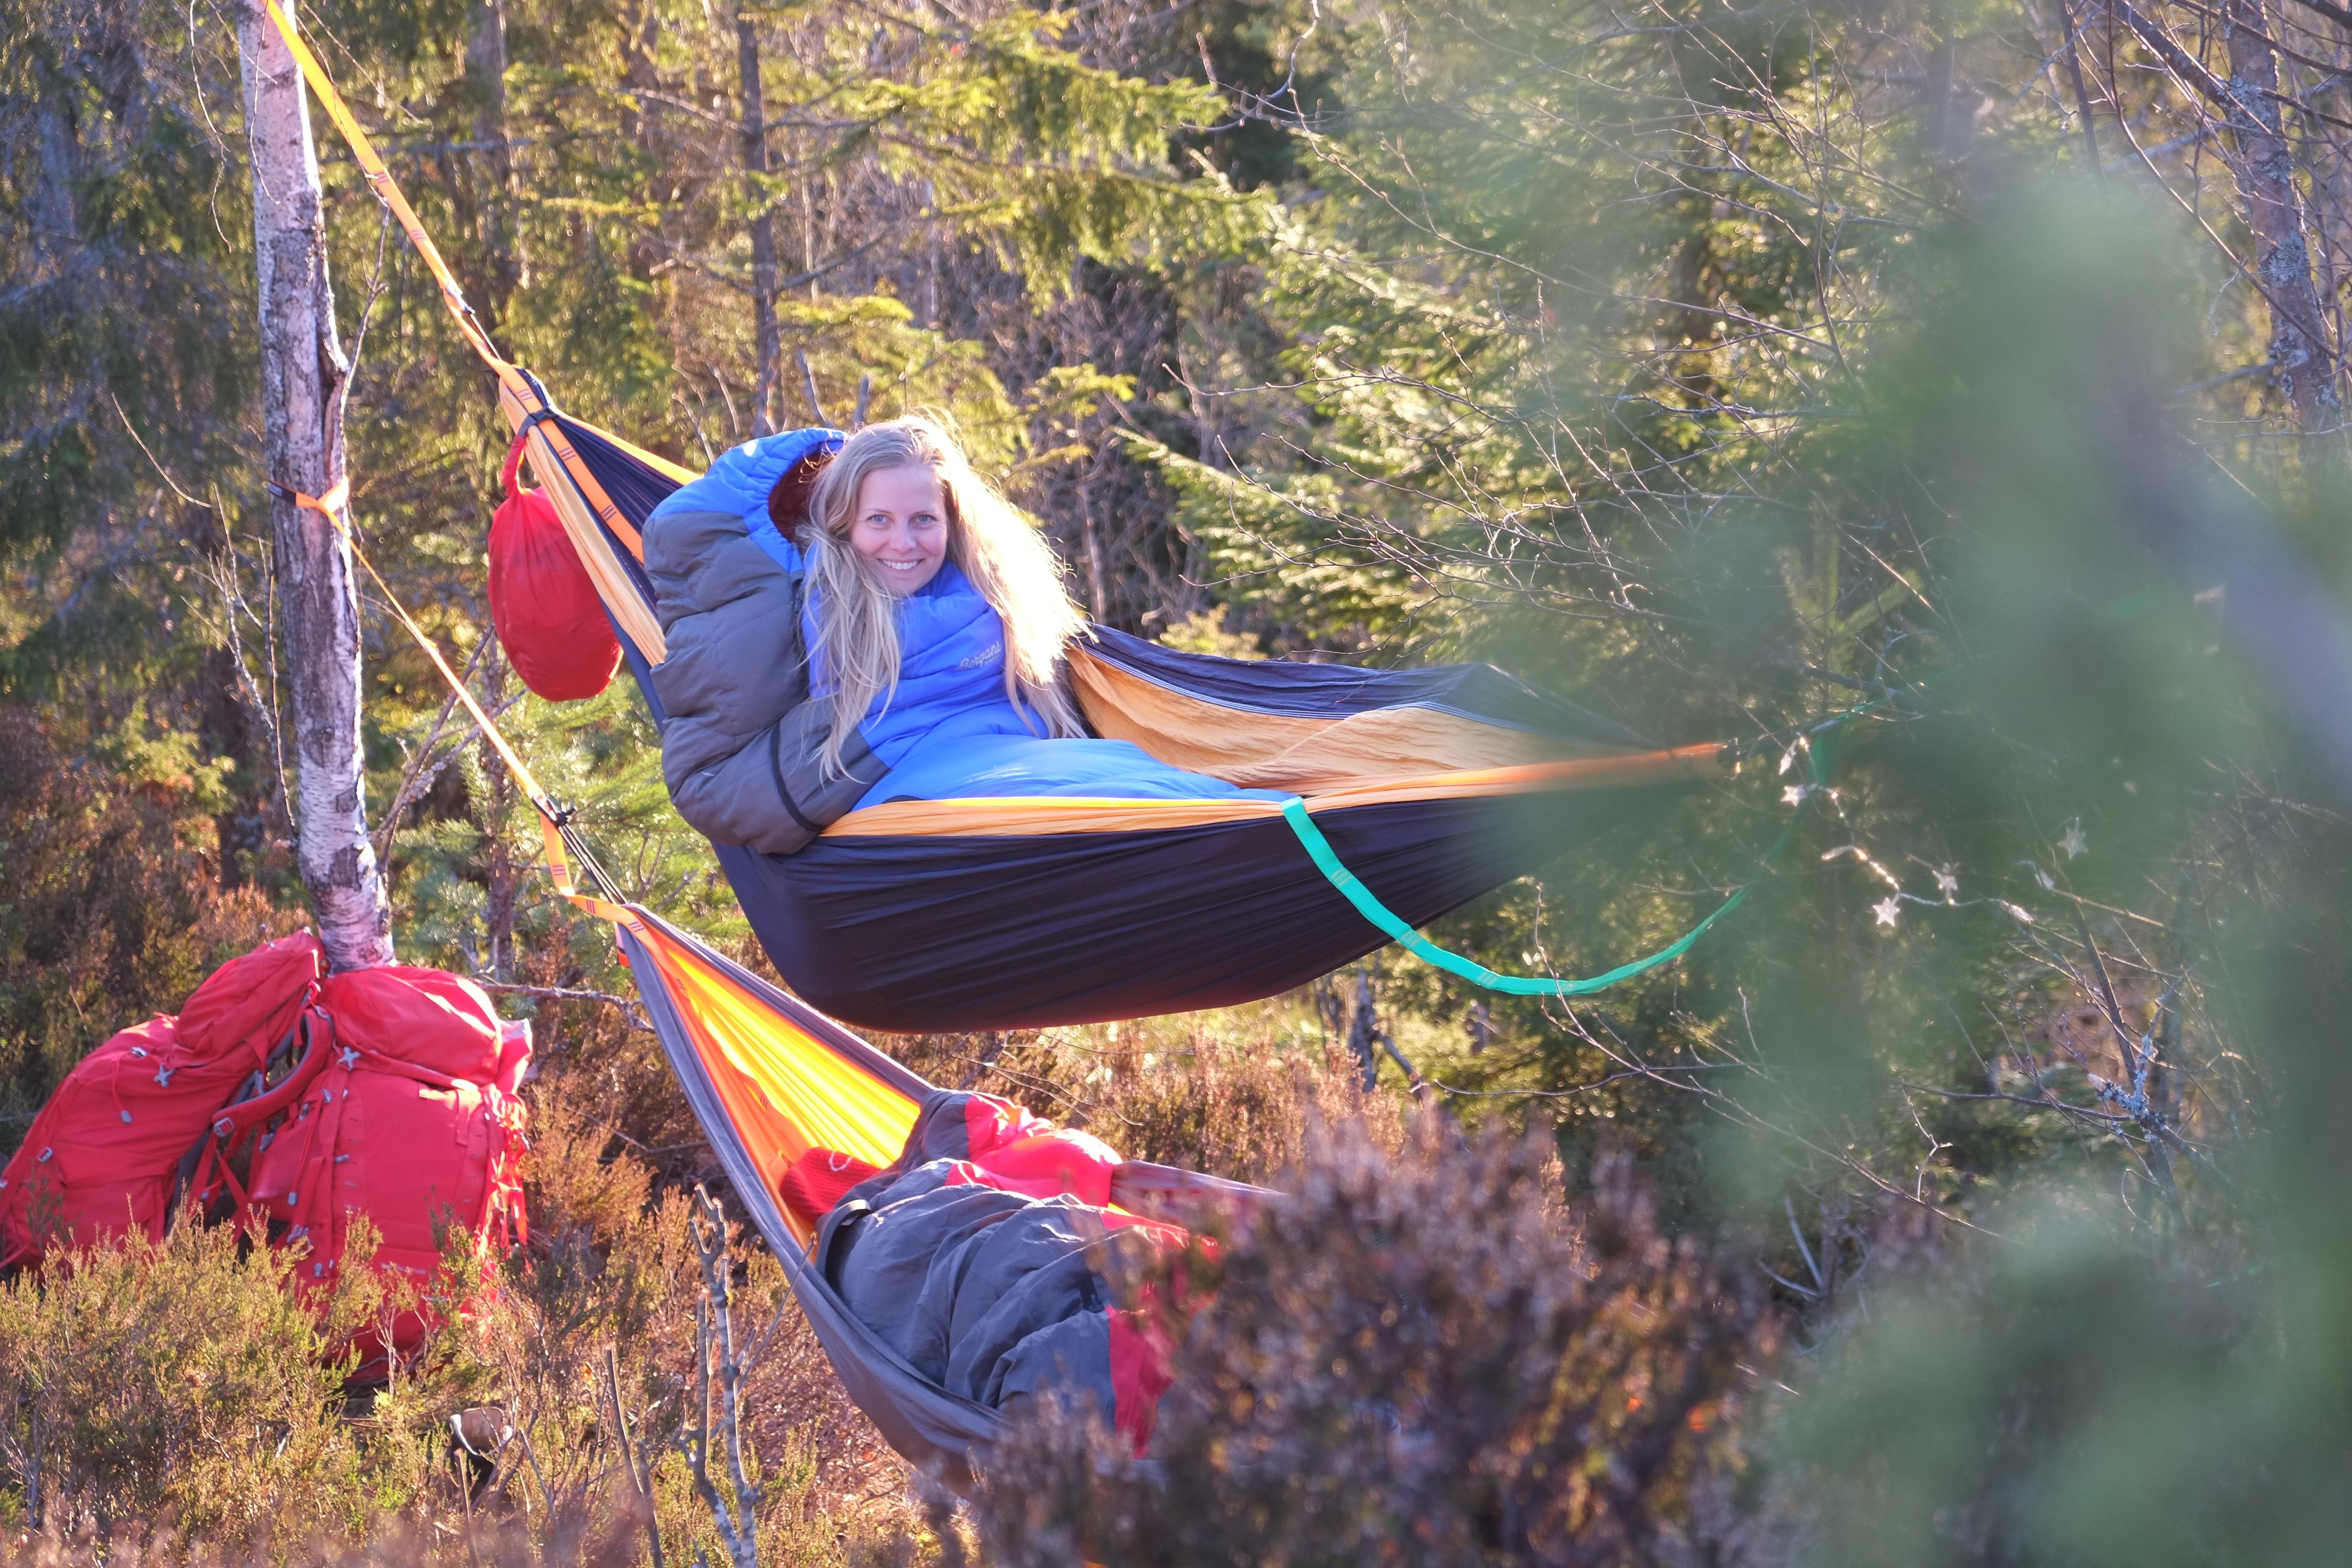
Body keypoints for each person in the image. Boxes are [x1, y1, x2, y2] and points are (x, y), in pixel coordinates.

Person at [643, 414, 1278, 857]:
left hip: (1017, 759)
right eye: (879, 521)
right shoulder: (821, 609)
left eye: (924, 520)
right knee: (1145, 804)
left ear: (954, 521)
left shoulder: (1005, 596)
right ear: (843, 525)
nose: (902, 543)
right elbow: (729, 751)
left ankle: (1290, 826)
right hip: (922, 792)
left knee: (1156, 785)